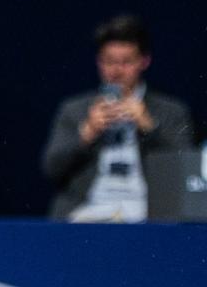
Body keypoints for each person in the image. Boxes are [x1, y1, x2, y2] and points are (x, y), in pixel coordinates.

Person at [41, 15, 194, 221]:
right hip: (87, 210)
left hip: (147, 212)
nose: (116, 71)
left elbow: (188, 173)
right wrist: (86, 134)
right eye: (109, 61)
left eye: (126, 62)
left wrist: (149, 128)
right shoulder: (75, 109)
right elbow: (51, 169)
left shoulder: (170, 110)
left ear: (144, 61)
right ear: (98, 62)